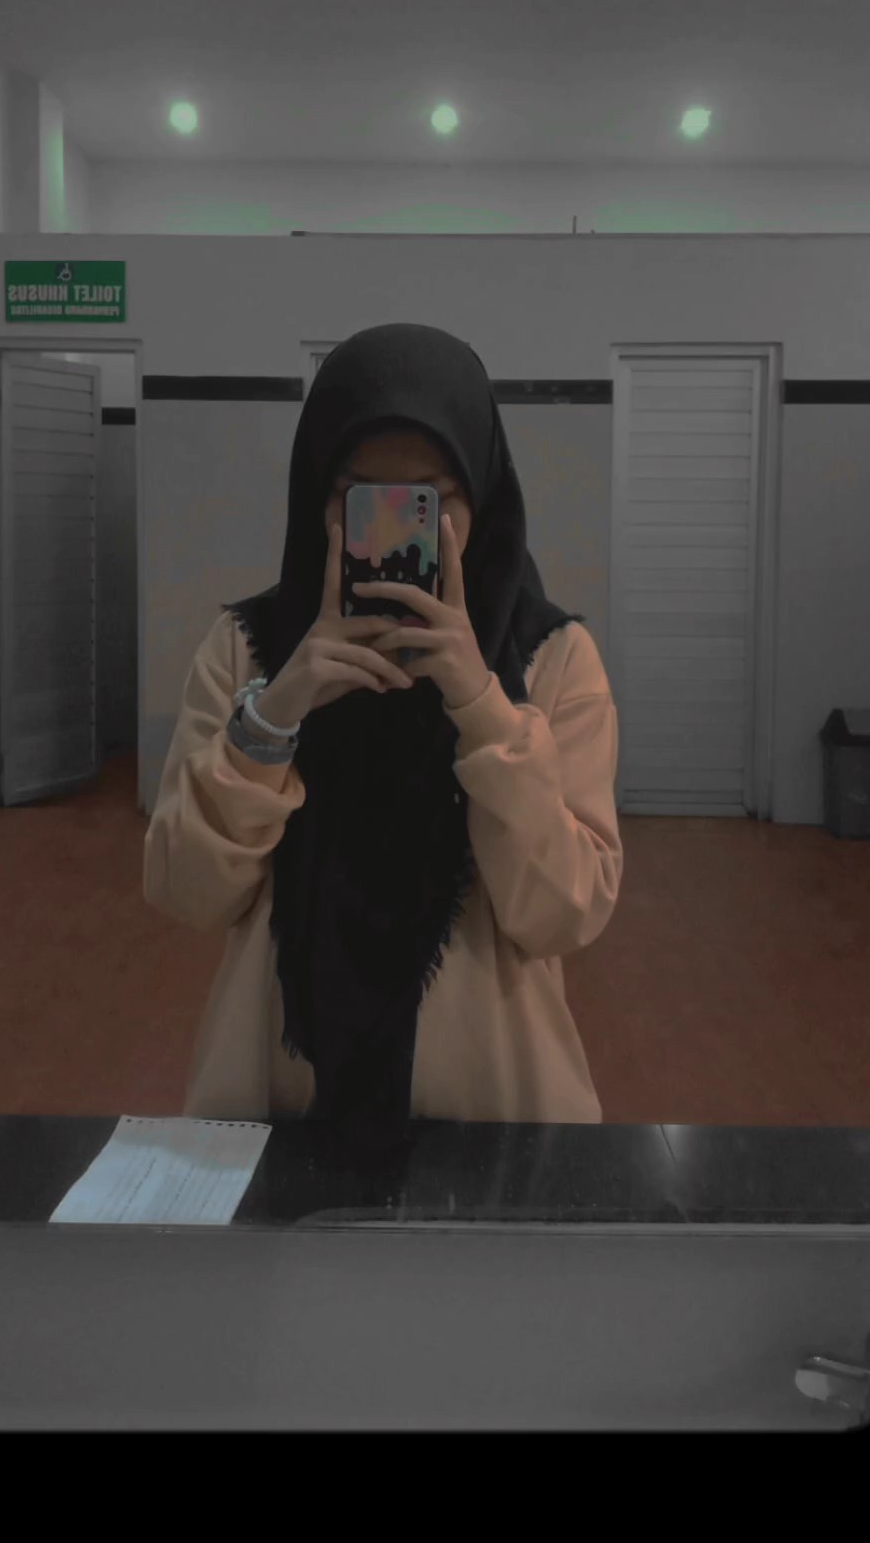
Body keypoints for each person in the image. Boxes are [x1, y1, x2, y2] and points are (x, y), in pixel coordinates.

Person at [143, 322, 623, 1128]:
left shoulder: (551, 661)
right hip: (276, 1113)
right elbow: (187, 892)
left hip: (491, 1124)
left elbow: (562, 915)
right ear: (317, 495)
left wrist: (481, 707)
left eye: (430, 499)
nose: (398, 531)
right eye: (361, 497)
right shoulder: (248, 651)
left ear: (482, 494)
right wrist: (274, 715)